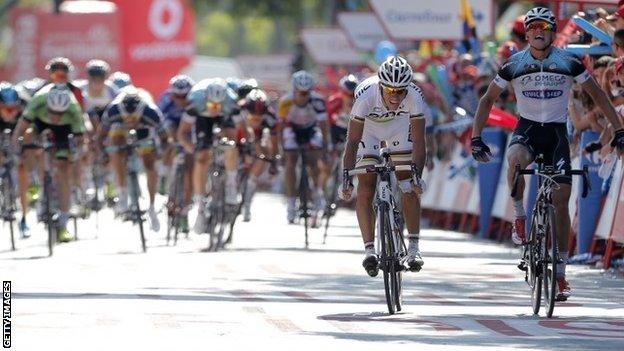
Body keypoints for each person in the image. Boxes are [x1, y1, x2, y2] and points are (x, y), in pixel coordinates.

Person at [470, 7, 624, 301]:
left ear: (552, 32)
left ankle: (562, 273)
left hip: (555, 134)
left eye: (545, 27)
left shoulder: (569, 62)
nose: (539, 32)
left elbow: (599, 96)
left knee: (561, 199)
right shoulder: (514, 64)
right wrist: (476, 137)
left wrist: (618, 129)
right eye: (534, 27)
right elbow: (488, 99)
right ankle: (519, 217)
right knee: (515, 159)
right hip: (527, 130)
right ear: (527, 33)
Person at [341, 55, 428, 276]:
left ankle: (414, 248)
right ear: (381, 85)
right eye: (390, 91)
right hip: (368, 130)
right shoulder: (365, 96)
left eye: (401, 91)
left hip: (399, 128)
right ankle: (369, 249)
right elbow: (352, 141)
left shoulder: (415, 97)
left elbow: (419, 141)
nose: (396, 96)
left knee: (407, 185)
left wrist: (417, 174)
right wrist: (346, 176)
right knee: (366, 188)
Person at [13, 84, 86, 243]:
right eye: (53, 112)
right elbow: (19, 129)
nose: (56, 117)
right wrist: (17, 151)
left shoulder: (73, 108)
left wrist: (74, 155)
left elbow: (80, 139)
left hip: (64, 131)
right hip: (39, 124)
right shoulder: (38, 100)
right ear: (47, 106)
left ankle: (64, 222)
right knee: (27, 136)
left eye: (60, 113)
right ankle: (33, 181)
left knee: (63, 171)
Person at [177, 78, 241, 234]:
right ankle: (200, 206)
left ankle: (231, 184)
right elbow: (182, 133)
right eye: (212, 105)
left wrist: (245, 142)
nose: (215, 109)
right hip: (202, 120)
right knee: (201, 157)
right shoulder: (195, 103)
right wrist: (191, 147)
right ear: (206, 100)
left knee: (231, 145)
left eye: (218, 106)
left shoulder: (231, 103)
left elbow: (241, 129)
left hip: (224, 120)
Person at [98, 87, 166, 232]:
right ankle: (122, 192)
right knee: (115, 144)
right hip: (119, 129)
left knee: (149, 162)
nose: (129, 122)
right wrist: (104, 154)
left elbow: (164, 138)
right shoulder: (113, 112)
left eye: (133, 118)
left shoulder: (151, 113)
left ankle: (152, 206)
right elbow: (101, 136)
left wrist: (160, 153)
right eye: (126, 118)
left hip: (144, 128)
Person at [277, 70, 329, 224]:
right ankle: (291, 203)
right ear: (293, 90)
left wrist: (325, 147)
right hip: (292, 129)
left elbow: (323, 125)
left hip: (310, 129)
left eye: (306, 93)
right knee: (291, 161)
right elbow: (279, 129)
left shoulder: (317, 101)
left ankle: (317, 195)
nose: (303, 96)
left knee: (314, 161)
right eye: (300, 93)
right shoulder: (285, 101)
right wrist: (281, 151)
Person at [238, 88, 278, 221]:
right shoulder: (240, 109)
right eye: (252, 114)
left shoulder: (270, 116)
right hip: (241, 135)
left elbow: (273, 141)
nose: (256, 117)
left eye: (259, 115)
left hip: (258, 139)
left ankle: (250, 184)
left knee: (264, 150)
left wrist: (273, 161)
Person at [0, 82, 31, 238]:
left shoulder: (25, 106)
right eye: (6, 109)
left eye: (14, 109)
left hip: (19, 133)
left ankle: (24, 218)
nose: (10, 113)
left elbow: (31, 130)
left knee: (22, 169)